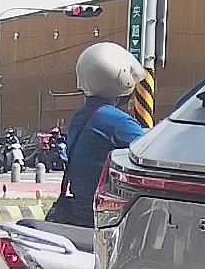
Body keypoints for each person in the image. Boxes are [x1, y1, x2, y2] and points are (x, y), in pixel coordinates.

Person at [48, 42, 149, 227]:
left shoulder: (81, 116)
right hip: (105, 218)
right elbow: (150, 151)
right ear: (121, 78)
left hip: (80, 212)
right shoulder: (118, 122)